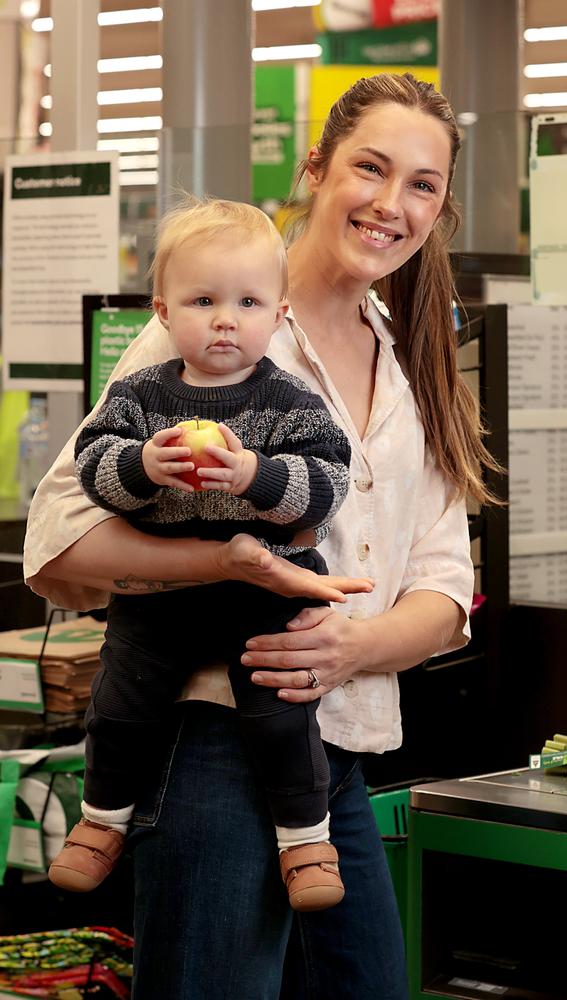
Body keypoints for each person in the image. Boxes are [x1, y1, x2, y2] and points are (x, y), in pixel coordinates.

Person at [24, 72, 499, 999]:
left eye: (422, 185)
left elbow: (445, 594)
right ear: (316, 169)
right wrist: (230, 560)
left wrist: (350, 646)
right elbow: (59, 541)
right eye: (371, 167)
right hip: (208, 746)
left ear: (438, 210)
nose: (390, 203)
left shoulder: (410, 361)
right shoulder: (217, 322)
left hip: (339, 754)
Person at [47, 198, 357, 912]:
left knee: (279, 717)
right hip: (162, 592)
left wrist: (255, 476)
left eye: (247, 301)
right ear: (162, 311)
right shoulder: (138, 397)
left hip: (264, 597)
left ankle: (305, 839)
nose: (226, 318)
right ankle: (102, 822)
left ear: (279, 315)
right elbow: (93, 466)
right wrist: (142, 467)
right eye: (203, 300)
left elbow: (326, 484)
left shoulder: (291, 401)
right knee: (120, 704)